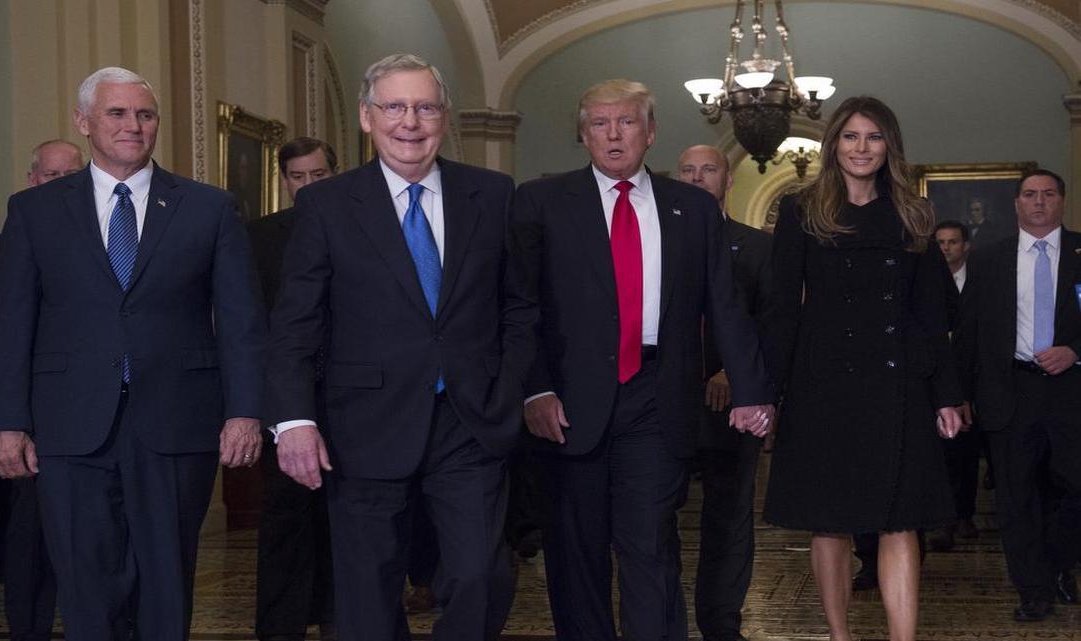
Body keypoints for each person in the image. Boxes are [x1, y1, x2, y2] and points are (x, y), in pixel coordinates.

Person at [0, 67, 265, 640]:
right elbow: (12, 324)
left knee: (166, 579)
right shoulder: (33, 212)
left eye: (145, 114)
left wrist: (244, 411)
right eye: (117, 113)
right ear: (84, 122)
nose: (133, 126)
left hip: (176, 421)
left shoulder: (208, 208)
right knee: (85, 581)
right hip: (67, 423)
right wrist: (5, 422)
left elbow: (241, 323)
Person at [264, 53, 532, 641]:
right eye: (395, 106)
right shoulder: (327, 205)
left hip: (469, 420)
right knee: (367, 591)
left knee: (481, 576)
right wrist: (293, 420)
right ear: (366, 116)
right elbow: (295, 325)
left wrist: (507, 387)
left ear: (444, 117)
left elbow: (518, 305)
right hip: (362, 424)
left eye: (425, 106)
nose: (410, 121)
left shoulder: (491, 194)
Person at [511, 80, 774, 641]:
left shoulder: (692, 208)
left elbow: (724, 306)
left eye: (627, 122)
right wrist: (534, 389)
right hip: (568, 402)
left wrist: (751, 391)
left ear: (650, 132)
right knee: (576, 553)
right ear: (582, 134)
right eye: (600, 123)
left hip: (658, 395)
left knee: (650, 544)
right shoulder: (541, 202)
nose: (613, 133)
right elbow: (520, 305)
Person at [762, 95, 963, 641]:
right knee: (830, 521)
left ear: (889, 145)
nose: (861, 147)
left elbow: (930, 315)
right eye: (851, 136)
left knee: (901, 521)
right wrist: (764, 393)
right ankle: (840, 635)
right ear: (834, 145)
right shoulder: (803, 210)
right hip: (823, 386)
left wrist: (946, 394)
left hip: (899, 385)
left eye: (873, 137)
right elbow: (782, 309)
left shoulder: (912, 214)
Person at [953, 168, 1081, 622]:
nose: (1040, 202)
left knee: (1073, 489)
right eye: (1030, 195)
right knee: (1016, 497)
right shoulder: (989, 259)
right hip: (1010, 390)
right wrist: (960, 393)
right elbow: (967, 332)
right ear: (1017, 204)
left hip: (1071, 389)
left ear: (1062, 201)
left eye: (1049, 194)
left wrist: (1075, 351)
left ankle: (1061, 562)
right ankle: (1034, 590)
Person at [0, 139, 84, 639]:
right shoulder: (8, 242)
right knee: (32, 532)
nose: (62, 184)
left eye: (71, 174)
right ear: (32, 180)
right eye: (51, 176)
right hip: (40, 412)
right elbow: (0, 324)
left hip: (108, 406)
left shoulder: (116, 230)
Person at [676, 144, 772, 641]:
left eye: (708, 169)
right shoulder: (657, 240)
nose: (697, 178)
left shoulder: (756, 246)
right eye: (687, 170)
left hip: (733, 406)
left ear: (727, 180)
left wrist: (737, 374)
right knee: (651, 516)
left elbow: (772, 322)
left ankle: (721, 623)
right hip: (661, 403)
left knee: (729, 518)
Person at [249, 136, 337, 641]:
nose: (306, 187)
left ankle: (340, 619)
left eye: (317, 176)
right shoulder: (257, 237)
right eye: (297, 177)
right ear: (283, 181)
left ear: (335, 173)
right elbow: (252, 325)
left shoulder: (360, 222)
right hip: (284, 402)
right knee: (285, 518)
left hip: (353, 398)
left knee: (345, 518)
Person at [928, 220, 982, 552]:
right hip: (934, 378)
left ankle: (964, 513)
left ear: (966, 246)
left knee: (966, 452)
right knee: (942, 454)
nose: (946, 248)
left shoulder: (980, 281)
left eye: (952, 242)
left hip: (972, 380)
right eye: (941, 242)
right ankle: (943, 519)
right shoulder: (926, 279)